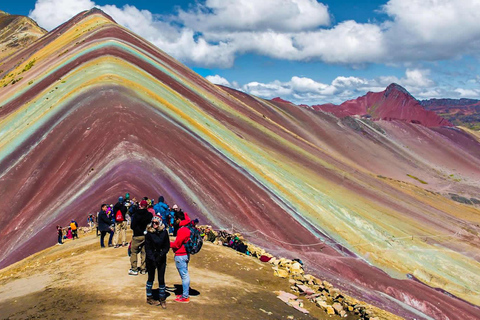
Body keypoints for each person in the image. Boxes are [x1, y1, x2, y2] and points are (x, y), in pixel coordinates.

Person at [145, 216, 170, 307]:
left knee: (161, 278)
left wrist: (160, 255)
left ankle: (162, 298)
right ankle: (149, 297)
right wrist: (152, 258)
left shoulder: (164, 233)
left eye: (156, 222)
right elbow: (147, 248)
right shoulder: (149, 233)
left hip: (161, 257)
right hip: (151, 259)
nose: (154, 224)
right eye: (153, 222)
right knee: (151, 277)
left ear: (160, 223)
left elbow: (167, 246)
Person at [170, 211, 192, 303]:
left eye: (175, 219)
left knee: (184, 276)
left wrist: (168, 243)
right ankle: (184, 294)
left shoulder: (182, 230)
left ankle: (185, 296)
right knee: (185, 274)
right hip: (185, 254)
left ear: (179, 219)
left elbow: (177, 244)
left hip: (181, 255)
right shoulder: (187, 228)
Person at [129, 200, 153, 275]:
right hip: (146, 236)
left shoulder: (136, 214)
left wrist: (136, 230)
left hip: (136, 235)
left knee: (133, 252)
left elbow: (132, 226)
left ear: (140, 205)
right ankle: (143, 269)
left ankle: (134, 269)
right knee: (144, 252)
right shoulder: (149, 215)